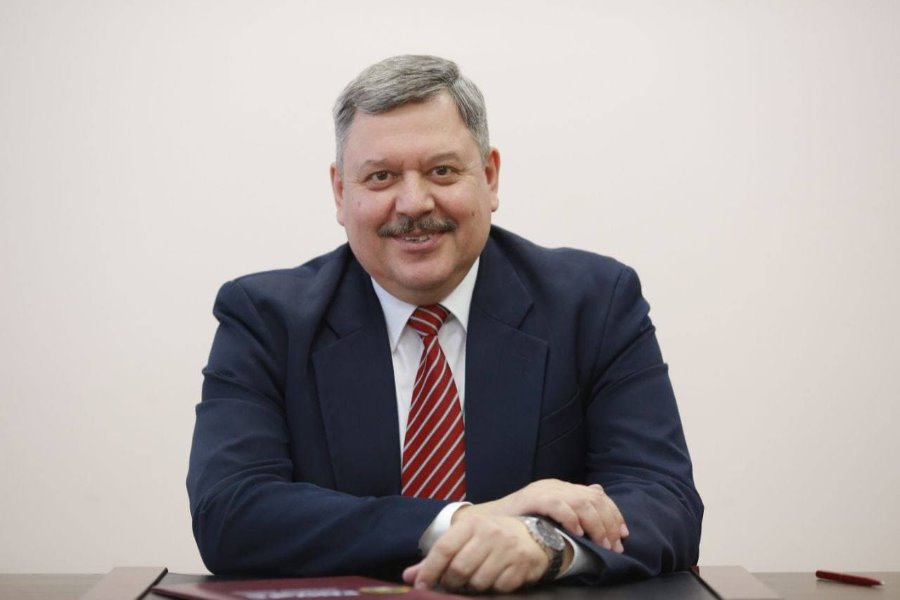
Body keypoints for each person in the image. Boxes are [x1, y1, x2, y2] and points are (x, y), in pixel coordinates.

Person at [187, 55, 702, 593]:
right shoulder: (265, 319)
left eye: (442, 171)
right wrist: (460, 522)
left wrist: (544, 544)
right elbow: (230, 512)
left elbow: (664, 500)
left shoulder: (594, 303)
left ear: (490, 177)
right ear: (341, 192)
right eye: (381, 176)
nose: (414, 203)